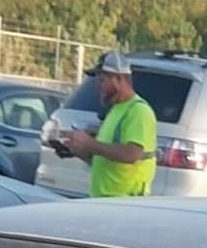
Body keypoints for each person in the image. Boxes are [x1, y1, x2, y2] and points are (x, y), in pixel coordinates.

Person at [51, 51, 158, 198]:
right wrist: (79, 150)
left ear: (119, 79)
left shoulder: (139, 111)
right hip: (104, 201)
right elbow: (105, 157)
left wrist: (90, 143)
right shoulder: (115, 110)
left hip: (124, 204)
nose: (97, 86)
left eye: (102, 80)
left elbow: (132, 154)